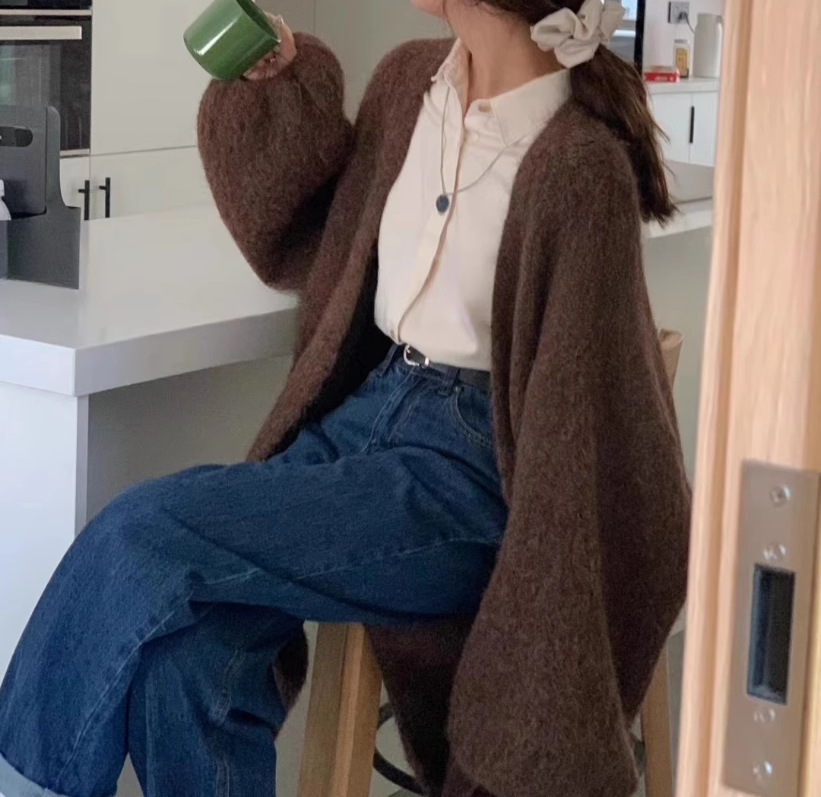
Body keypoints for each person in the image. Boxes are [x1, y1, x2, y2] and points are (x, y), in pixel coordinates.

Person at [0, 1, 691, 795]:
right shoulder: (410, 84)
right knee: (187, 657)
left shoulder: (578, 164)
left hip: (471, 468)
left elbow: (592, 428)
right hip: (371, 408)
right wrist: (282, 88)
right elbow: (318, 238)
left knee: (139, 532)